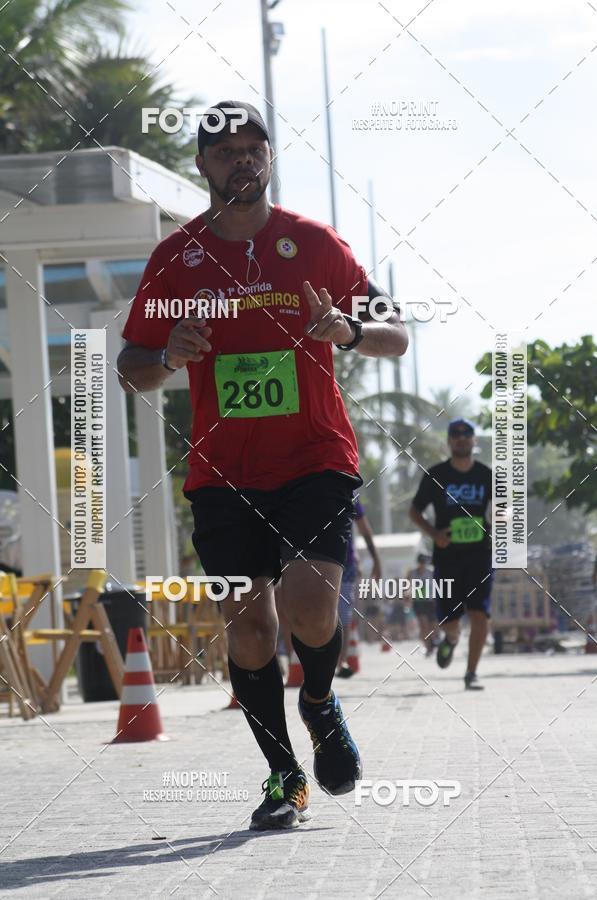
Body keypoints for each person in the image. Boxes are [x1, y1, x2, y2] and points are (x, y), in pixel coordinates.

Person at [117, 101, 408, 830]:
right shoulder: (174, 258)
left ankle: (319, 700)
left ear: (269, 157)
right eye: (226, 152)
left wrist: (346, 330)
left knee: (310, 609)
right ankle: (284, 775)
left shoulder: (314, 244)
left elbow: (395, 335)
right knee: (248, 633)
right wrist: (165, 357)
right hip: (222, 472)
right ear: (201, 165)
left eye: (254, 148)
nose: (242, 160)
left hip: (314, 459)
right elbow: (129, 365)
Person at [409, 418, 493, 689]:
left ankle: (471, 673)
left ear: (474, 440)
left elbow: (507, 507)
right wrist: (434, 535)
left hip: (481, 555)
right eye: (455, 435)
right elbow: (414, 511)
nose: (461, 438)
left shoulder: (486, 475)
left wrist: (503, 517)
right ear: (449, 441)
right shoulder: (436, 475)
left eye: (466, 434)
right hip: (447, 558)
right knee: (451, 621)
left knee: (480, 613)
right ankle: (451, 640)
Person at [336, 497, 381, 678]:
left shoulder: (350, 490)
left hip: (345, 564)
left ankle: (342, 661)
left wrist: (376, 559)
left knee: (344, 614)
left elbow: (364, 528)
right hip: (313, 559)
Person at [405, 553, 438, 655]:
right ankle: (428, 647)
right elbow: (406, 585)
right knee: (423, 625)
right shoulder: (412, 573)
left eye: (424, 563)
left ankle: (433, 641)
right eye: (421, 562)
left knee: (433, 626)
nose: (422, 565)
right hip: (418, 602)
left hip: (430, 601)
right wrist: (406, 595)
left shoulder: (430, 572)